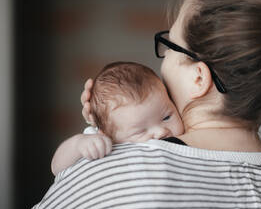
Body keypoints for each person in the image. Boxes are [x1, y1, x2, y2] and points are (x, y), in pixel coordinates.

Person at [31, 0, 261, 209]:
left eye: (169, 44)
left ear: (199, 78)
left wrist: (96, 152)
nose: (163, 60)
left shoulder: (115, 174)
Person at [51, 61, 184, 175]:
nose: (161, 132)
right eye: (140, 131)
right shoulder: (98, 139)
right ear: (107, 135)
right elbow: (56, 167)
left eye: (166, 117)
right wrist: (78, 144)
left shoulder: (188, 132)